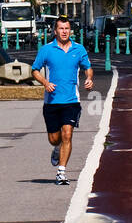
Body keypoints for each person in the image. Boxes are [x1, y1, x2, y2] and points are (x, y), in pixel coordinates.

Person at [32, 17, 93, 186]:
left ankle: (61, 172)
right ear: (55, 31)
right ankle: (57, 148)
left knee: (67, 134)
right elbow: (35, 70)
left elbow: (88, 68)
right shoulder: (46, 50)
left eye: (67, 28)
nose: (64, 31)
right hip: (51, 102)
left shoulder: (78, 49)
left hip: (71, 101)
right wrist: (45, 83)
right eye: (61, 28)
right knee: (54, 138)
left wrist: (89, 78)